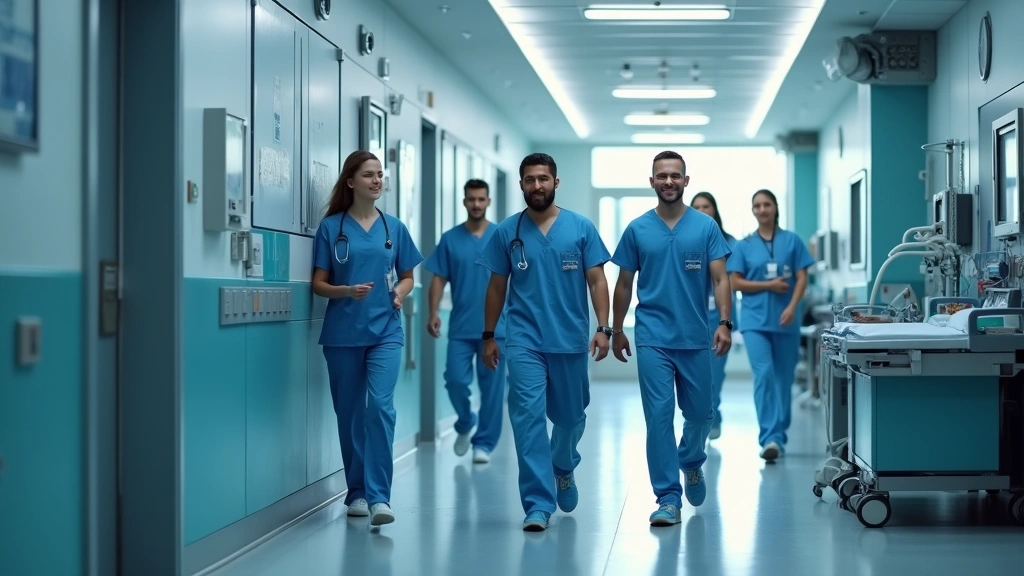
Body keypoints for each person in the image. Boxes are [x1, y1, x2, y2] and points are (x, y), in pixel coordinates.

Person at [478, 152, 612, 532]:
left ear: (556, 182)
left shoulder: (580, 228)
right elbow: (496, 287)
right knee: (528, 419)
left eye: (543, 179)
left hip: (569, 340)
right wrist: (489, 335)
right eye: (529, 180)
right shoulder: (507, 232)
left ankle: (563, 464)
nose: (537, 186)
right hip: (523, 339)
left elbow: (598, 280)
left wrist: (604, 327)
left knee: (571, 417)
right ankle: (538, 503)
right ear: (521, 185)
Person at [610, 151, 733, 526]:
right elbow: (624, 283)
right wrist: (616, 330)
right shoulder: (637, 229)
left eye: (674, 176)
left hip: (695, 337)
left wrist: (724, 322)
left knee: (700, 415)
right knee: (659, 417)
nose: (668, 182)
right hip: (652, 337)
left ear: (685, 180)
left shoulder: (705, 227)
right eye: (661, 176)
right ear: (651, 181)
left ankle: (692, 461)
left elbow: (720, 278)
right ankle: (667, 497)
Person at [311, 150, 424, 526]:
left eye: (380, 175)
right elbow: (318, 284)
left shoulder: (394, 227)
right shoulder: (331, 228)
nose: (377, 181)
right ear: (350, 182)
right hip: (343, 333)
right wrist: (346, 292)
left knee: (379, 408)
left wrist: (401, 293)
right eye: (369, 175)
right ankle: (356, 492)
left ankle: (379, 497)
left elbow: (407, 275)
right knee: (349, 415)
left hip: (386, 331)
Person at [726, 189, 814, 462]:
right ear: (753, 211)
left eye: (767, 204)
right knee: (763, 375)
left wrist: (791, 307)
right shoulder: (744, 245)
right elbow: (735, 282)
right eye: (757, 205)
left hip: (785, 320)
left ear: (775, 208)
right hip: (754, 322)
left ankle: (779, 433)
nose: (762, 209)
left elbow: (802, 278)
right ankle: (770, 438)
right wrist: (769, 285)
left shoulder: (792, 241)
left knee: (784, 380)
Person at [425, 179, 508, 465]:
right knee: (456, 381)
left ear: (488, 202)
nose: (476, 204)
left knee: (493, 390)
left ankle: (483, 443)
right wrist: (433, 312)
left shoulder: (502, 235)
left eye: (481, 199)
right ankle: (465, 421)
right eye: (471, 199)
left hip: (498, 329)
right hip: (461, 326)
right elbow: (438, 279)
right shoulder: (450, 239)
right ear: (464, 202)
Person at [690, 191, 740, 441]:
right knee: (696, 374)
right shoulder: (685, 239)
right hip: (691, 316)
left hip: (718, 317)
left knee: (715, 374)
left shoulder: (729, 242)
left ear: (715, 210)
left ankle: (713, 416)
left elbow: (732, 280)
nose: (701, 210)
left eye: (706, 206)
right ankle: (701, 418)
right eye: (696, 206)